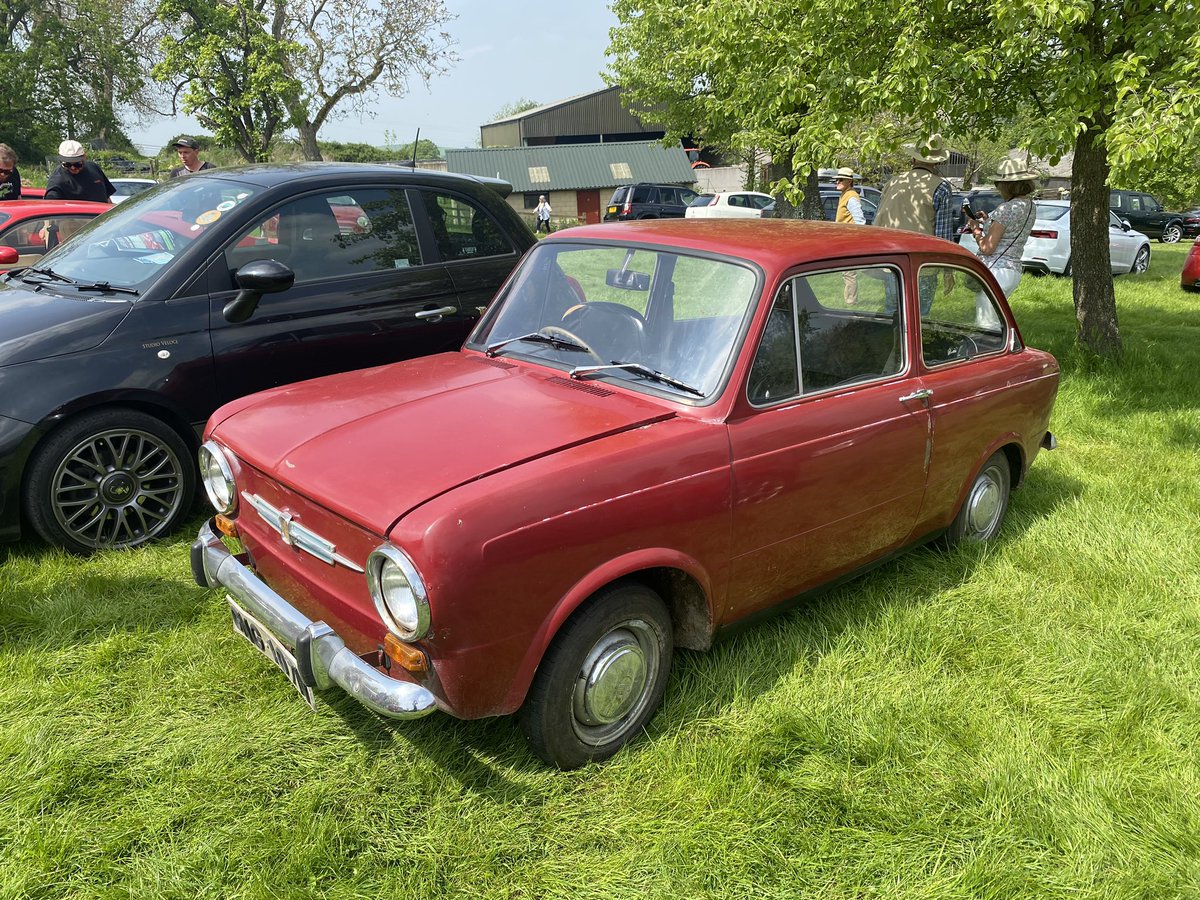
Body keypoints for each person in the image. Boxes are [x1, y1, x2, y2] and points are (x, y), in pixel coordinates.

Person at [875, 134, 956, 314]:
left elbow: (878, 219)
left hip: (891, 260)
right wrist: (948, 270)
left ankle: (892, 342)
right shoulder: (941, 187)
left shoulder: (892, 182)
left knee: (892, 312)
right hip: (923, 265)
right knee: (919, 316)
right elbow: (943, 235)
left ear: (913, 158)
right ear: (937, 163)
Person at [968, 158, 1039, 299]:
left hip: (995, 270)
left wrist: (976, 231)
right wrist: (989, 221)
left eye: (998, 184)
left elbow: (987, 248)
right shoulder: (1030, 205)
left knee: (986, 320)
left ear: (1007, 186)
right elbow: (1011, 229)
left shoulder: (1006, 208)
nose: (997, 188)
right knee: (996, 318)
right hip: (1012, 270)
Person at [832, 166, 866, 304]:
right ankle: (849, 300)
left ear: (849, 182)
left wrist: (854, 240)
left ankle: (851, 301)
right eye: (837, 179)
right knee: (846, 272)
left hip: (849, 240)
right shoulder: (845, 194)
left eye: (841, 180)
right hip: (844, 239)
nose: (837, 182)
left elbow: (860, 221)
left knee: (849, 272)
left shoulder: (851, 197)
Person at [44, 140, 115, 203]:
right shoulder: (57, 181)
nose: (73, 168)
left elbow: (107, 197)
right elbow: (50, 205)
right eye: (67, 165)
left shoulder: (94, 168)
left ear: (84, 158)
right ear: (60, 160)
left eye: (77, 164)